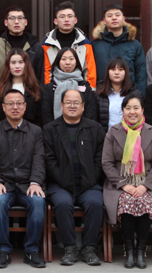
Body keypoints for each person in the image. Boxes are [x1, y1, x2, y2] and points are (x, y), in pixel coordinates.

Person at [102, 92, 152, 269]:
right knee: (127, 201)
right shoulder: (113, 132)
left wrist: (146, 185)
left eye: (136, 108)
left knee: (144, 200)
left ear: (142, 110)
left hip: (146, 182)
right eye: (128, 108)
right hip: (119, 183)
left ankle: (141, 250)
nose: (132, 112)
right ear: (123, 110)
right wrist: (123, 184)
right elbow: (106, 163)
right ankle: (129, 250)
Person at [44, 89, 105, 266]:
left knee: (95, 204)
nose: (72, 106)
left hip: (88, 184)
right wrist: (64, 181)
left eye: (76, 102)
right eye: (68, 102)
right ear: (62, 105)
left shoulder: (95, 128)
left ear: (83, 106)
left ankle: (89, 248)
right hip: (60, 184)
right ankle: (69, 248)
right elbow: (49, 160)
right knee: (63, 204)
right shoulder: (50, 129)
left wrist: (90, 179)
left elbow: (100, 159)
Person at [0, 89, 47, 269]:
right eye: (11, 104)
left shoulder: (36, 131)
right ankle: (3, 250)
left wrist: (35, 182)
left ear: (25, 106)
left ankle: (31, 250)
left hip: (28, 184)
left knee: (38, 201)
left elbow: (39, 158)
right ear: (3, 107)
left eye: (19, 103)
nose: (15, 107)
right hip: (4, 184)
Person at [91, 4, 147, 95]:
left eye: (117, 15)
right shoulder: (95, 45)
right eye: (110, 16)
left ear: (124, 19)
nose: (114, 18)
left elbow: (141, 73)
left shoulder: (134, 45)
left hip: (129, 94)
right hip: (101, 94)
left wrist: (139, 96)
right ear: (104, 21)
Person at [41, 1, 97, 88]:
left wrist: (90, 91)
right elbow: (46, 71)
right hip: (54, 89)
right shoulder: (47, 43)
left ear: (75, 20)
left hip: (79, 88)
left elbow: (90, 70)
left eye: (70, 16)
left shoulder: (84, 42)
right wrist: (47, 91)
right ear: (55, 21)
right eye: (62, 17)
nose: (66, 20)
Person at [41, 47, 99, 126]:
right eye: (63, 59)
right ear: (58, 62)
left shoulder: (85, 86)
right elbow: (46, 115)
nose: (67, 62)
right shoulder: (49, 88)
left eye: (71, 59)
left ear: (76, 62)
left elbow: (91, 113)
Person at [0, 5, 44, 84]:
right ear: (5, 22)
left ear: (26, 22)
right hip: (3, 91)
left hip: (29, 91)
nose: (16, 22)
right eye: (12, 18)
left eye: (20, 18)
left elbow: (40, 77)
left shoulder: (35, 47)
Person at [0, 48, 42, 124]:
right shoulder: (0, 88)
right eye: (13, 62)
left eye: (21, 62)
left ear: (26, 64)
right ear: (8, 65)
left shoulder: (35, 88)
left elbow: (39, 117)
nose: (17, 66)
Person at [94, 57, 138, 129]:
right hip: (105, 134)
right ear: (108, 72)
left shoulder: (134, 93)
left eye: (120, 69)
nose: (116, 72)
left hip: (129, 134)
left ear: (126, 72)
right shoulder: (99, 94)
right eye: (113, 69)